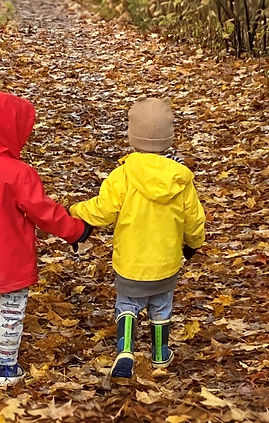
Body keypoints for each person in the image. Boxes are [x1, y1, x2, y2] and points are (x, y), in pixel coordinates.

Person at [0, 92, 91, 386]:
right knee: (10, 312)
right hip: (11, 258)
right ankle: (7, 369)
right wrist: (75, 230)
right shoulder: (19, 173)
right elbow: (43, 211)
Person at [70, 98, 206, 378]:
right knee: (161, 305)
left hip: (130, 262)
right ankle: (160, 354)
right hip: (166, 262)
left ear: (132, 136)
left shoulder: (123, 175)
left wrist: (76, 210)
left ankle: (125, 351)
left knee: (127, 304)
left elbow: (103, 210)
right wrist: (194, 243)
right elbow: (194, 219)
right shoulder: (180, 180)